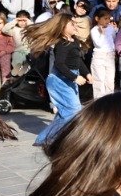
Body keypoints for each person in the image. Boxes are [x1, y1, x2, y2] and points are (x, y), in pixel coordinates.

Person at [31, 14, 90, 148]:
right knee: (73, 110)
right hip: (59, 80)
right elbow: (59, 64)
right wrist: (74, 77)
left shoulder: (73, 41)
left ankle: (45, 138)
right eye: (71, 24)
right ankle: (64, 137)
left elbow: (77, 60)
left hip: (68, 78)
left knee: (66, 111)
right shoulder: (62, 44)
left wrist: (87, 73)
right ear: (62, 27)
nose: (75, 26)